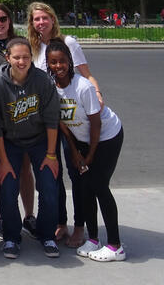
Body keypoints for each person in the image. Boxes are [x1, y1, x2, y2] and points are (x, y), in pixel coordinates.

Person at [27, 1, 103, 246]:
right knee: (53, 174)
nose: (41, 23)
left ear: (53, 19)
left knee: (76, 171)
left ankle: (79, 226)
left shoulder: (68, 43)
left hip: (69, 119)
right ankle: (61, 222)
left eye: (44, 18)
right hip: (46, 121)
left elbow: (86, 73)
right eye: (36, 19)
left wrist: (97, 93)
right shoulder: (33, 46)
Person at [45, 39, 126, 262]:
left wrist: (89, 156)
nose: (58, 66)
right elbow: (62, 123)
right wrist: (74, 151)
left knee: (99, 186)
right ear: (48, 64)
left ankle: (115, 245)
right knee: (85, 188)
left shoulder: (83, 86)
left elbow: (96, 123)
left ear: (70, 62)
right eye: (53, 62)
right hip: (80, 141)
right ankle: (93, 238)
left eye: (62, 61)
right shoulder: (52, 88)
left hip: (107, 137)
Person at [0, 37, 60, 259]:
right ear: (7, 58)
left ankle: (47, 233)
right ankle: (12, 236)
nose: (22, 61)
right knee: (8, 186)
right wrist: (4, 161)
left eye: (26, 57)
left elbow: (51, 121)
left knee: (49, 186)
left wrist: (51, 155)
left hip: (39, 140)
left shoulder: (43, 81)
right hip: (10, 141)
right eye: (17, 57)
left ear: (32, 58)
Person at [0, 3, 37, 240]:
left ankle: (29, 216)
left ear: (9, 20)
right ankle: (6, 216)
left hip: (23, 111)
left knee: (24, 167)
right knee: (1, 166)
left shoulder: (22, 43)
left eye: (2, 18)